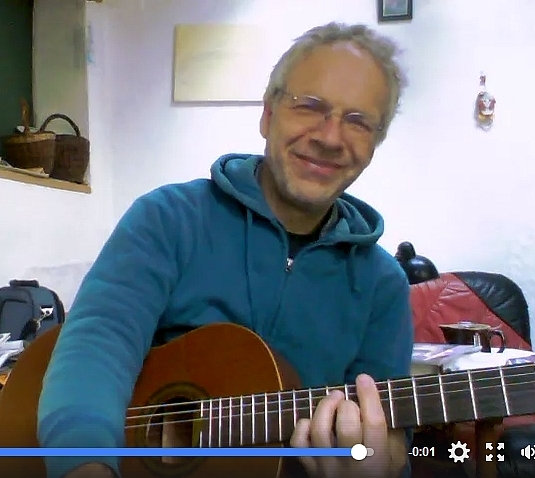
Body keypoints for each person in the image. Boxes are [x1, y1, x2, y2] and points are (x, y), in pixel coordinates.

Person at [38, 22, 413, 478]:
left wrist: (377, 466)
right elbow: (97, 345)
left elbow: (393, 436)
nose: (330, 137)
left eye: (358, 121)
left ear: (375, 144)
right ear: (268, 115)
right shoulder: (169, 218)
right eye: (310, 106)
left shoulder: (384, 286)